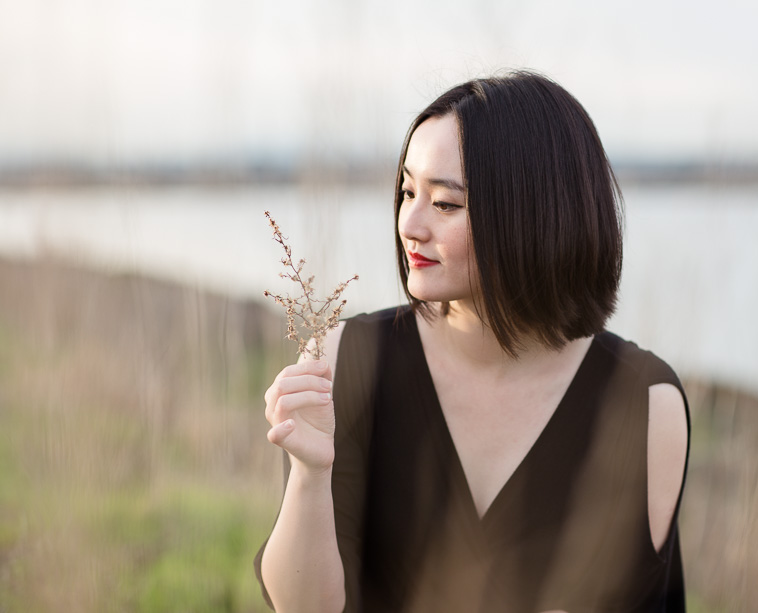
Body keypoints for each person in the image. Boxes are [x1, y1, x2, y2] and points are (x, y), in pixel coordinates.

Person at [255, 71, 690, 613]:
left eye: (445, 204)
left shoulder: (645, 404)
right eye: (408, 191)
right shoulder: (351, 358)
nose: (408, 224)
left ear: (533, 215)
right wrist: (310, 474)